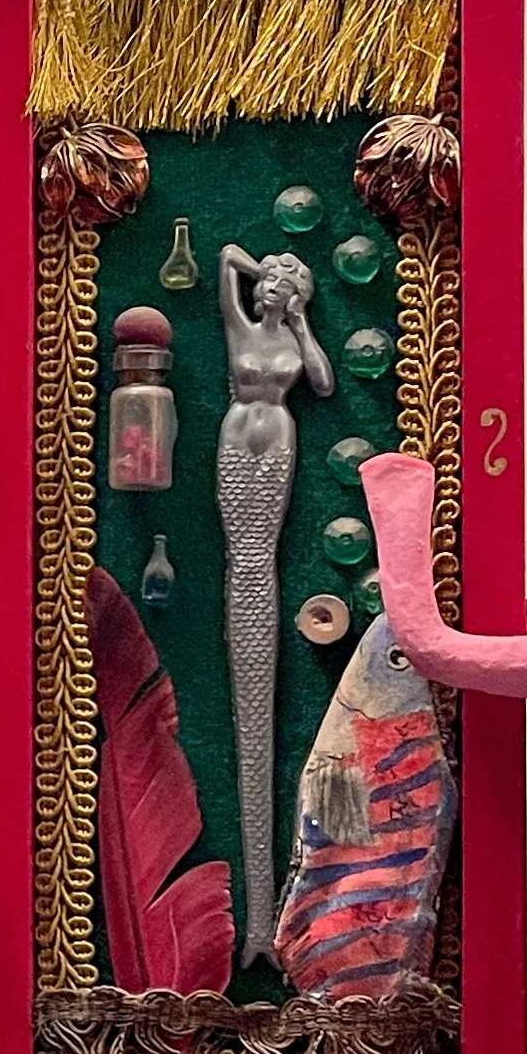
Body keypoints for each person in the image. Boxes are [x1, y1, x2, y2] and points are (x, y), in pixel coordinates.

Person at [216, 243, 334, 965]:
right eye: (268, 289)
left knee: (263, 560)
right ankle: (258, 918)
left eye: (282, 289)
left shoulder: (292, 336)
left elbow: (321, 381)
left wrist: (302, 318)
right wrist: (267, 273)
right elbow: (228, 259)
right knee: (245, 561)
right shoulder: (237, 323)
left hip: (278, 438)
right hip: (237, 437)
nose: (268, 294)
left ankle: (266, 921)